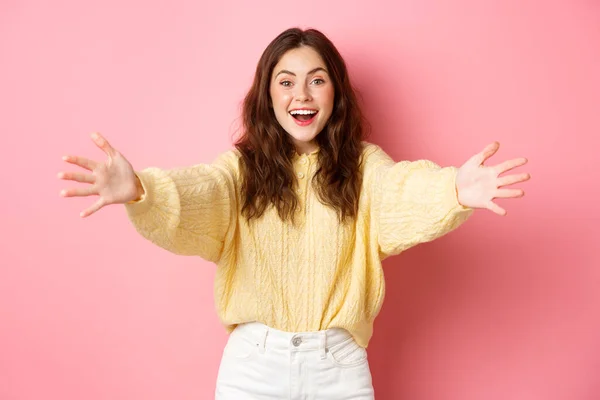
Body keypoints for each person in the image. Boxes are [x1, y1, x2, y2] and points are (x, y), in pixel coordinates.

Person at [58, 27, 530, 399]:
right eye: (286, 82)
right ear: (268, 95)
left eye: (316, 80)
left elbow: (399, 193)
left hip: (339, 370)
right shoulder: (240, 170)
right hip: (252, 370)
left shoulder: (364, 166)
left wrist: (452, 189)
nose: (301, 94)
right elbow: (200, 194)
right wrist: (144, 189)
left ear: (335, 94)